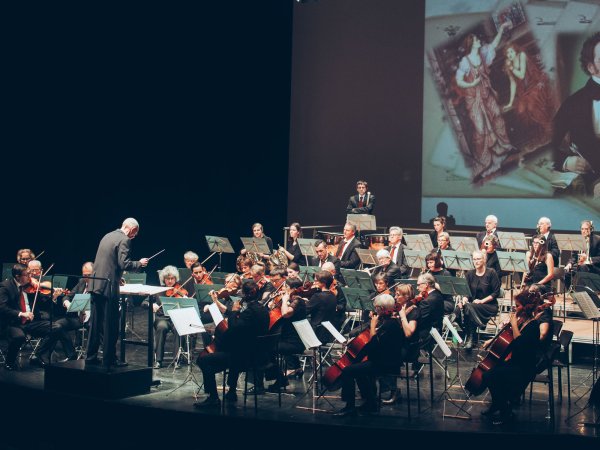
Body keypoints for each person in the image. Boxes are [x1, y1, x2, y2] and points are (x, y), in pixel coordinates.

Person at [455, 22, 516, 183]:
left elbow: (494, 44)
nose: (479, 41)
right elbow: (459, 81)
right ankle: (485, 164)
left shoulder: (482, 53)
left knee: (497, 117)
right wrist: (472, 84)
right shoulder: (465, 62)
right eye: (476, 40)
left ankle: (506, 147)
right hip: (474, 99)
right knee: (481, 130)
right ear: (471, 42)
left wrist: (501, 29)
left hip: (486, 93)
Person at [194, 280, 269, 408]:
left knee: (204, 360)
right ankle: (231, 392)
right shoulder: (262, 310)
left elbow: (234, 328)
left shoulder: (250, 312)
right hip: (258, 354)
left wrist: (234, 311)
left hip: (245, 358)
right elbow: (244, 327)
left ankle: (213, 398)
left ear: (246, 294)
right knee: (234, 349)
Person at [86, 218, 149, 367]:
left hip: (96, 284)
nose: (135, 236)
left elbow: (108, 262)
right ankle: (109, 359)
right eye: (136, 233)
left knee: (95, 324)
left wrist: (116, 277)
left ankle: (91, 357)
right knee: (111, 324)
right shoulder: (125, 239)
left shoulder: (107, 236)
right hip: (108, 288)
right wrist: (139, 263)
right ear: (132, 229)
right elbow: (124, 263)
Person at [332, 294, 405, 417]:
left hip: (386, 364)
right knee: (359, 370)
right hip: (385, 361)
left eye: (376, 307)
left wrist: (372, 326)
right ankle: (370, 403)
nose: (374, 310)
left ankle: (350, 407)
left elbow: (373, 346)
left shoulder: (390, 325)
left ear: (381, 309)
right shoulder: (390, 322)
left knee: (348, 370)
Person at [480, 288, 542, 425]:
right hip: (515, 362)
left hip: (524, 367)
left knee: (490, 376)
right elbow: (509, 338)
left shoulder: (533, 325)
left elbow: (520, 344)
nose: (515, 308)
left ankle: (505, 410)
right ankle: (498, 404)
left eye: (518, 306)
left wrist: (514, 325)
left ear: (526, 308)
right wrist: (493, 339)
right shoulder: (522, 321)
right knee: (489, 374)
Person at [551, 32, 600, 196]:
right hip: (591, 185)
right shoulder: (573, 104)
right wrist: (566, 162)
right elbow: (547, 144)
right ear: (591, 67)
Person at [0, 264, 68, 369]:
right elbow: (2, 307)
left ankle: (38, 356)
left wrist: (53, 297)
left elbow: (42, 304)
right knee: (19, 336)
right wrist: (21, 313)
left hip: (31, 322)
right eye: (27, 274)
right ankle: (9, 362)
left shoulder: (31, 287)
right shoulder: (6, 286)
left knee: (56, 328)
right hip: (14, 323)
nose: (30, 277)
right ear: (18, 276)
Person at [503, 43, 555, 143]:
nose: (509, 54)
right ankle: (542, 129)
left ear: (515, 50)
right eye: (507, 53)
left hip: (535, 83)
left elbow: (522, 75)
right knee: (521, 111)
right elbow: (512, 83)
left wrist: (512, 68)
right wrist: (510, 102)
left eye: (511, 51)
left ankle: (548, 127)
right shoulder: (508, 63)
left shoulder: (522, 55)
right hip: (524, 91)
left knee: (532, 107)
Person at [265, 278, 307, 392]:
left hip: (294, 343)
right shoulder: (292, 300)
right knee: (266, 348)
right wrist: (273, 305)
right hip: (286, 340)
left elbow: (285, 313)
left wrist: (284, 300)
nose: (283, 289)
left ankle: (280, 379)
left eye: (286, 287)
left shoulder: (299, 301)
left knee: (266, 350)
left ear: (293, 289)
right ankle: (279, 378)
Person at [457, 250, 501, 351]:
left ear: (484, 260)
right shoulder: (470, 274)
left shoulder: (491, 272)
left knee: (468, 307)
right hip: (472, 305)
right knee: (457, 311)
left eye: (478, 259)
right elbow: (466, 291)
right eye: (474, 259)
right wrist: (464, 298)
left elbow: (496, 293)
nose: (476, 261)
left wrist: (481, 301)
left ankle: (471, 338)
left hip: (488, 305)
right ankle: (471, 333)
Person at [306, 271, 338, 344]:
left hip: (316, 332)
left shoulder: (317, 296)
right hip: (327, 333)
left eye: (316, 281)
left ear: (323, 284)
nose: (314, 282)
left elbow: (305, 311)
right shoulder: (333, 296)